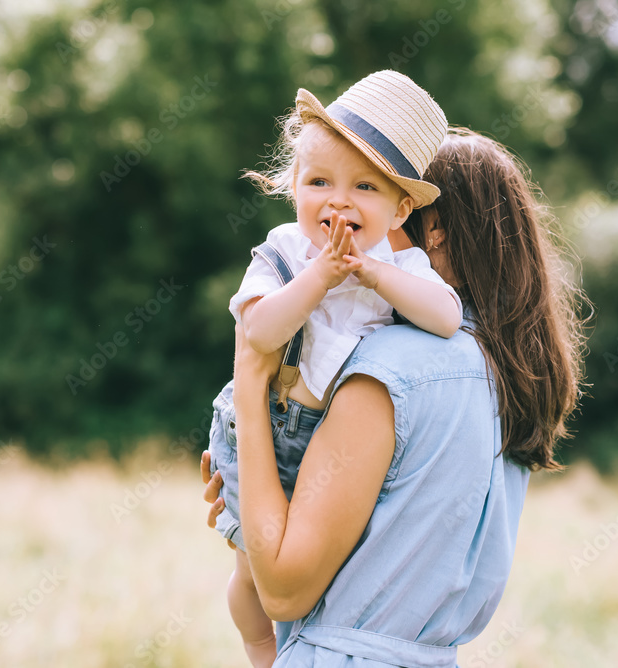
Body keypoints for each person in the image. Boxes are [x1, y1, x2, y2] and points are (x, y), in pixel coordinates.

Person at [202, 126, 587, 665]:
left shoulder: (391, 366)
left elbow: (286, 588)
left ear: (432, 230)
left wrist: (249, 391)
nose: (353, 220)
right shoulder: (510, 377)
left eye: (374, 192)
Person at [207, 70, 463, 667]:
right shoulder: (286, 252)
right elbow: (259, 334)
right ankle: (260, 652)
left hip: (330, 446)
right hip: (267, 424)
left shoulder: (397, 267)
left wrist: (376, 275)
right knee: (256, 576)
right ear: (293, 185)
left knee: (318, 573)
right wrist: (320, 276)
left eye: (365, 188)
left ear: (400, 210)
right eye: (319, 181)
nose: (338, 200)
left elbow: (447, 317)